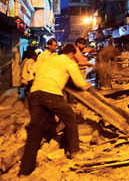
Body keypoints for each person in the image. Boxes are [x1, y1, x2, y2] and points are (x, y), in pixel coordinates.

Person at [19, 44, 91, 176]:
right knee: (70, 117)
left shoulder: (50, 59)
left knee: (35, 131)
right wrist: (88, 86)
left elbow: (37, 72)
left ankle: (25, 170)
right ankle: (74, 151)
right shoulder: (69, 62)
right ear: (72, 54)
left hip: (35, 93)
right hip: (51, 93)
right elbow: (80, 83)